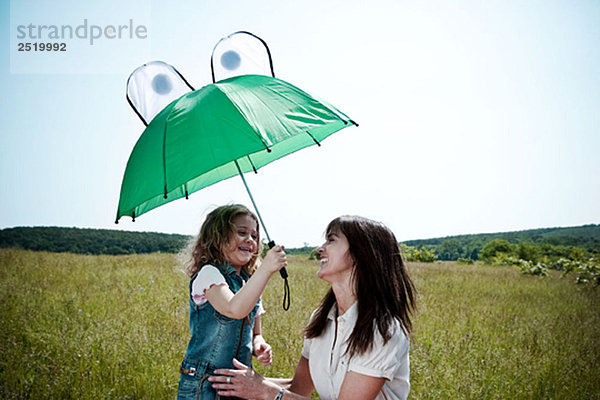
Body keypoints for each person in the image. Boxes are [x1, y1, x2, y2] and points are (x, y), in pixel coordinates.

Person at [209, 215, 417, 400]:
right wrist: (237, 382)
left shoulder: (383, 331)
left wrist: (264, 390)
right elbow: (298, 388)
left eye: (331, 240)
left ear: (361, 254)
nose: (320, 248)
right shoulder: (321, 318)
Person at [177, 204, 288, 400]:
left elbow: (256, 332)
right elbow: (233, 308)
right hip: (205, 383)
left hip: (239, 382)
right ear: (217, 237)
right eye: (242, 232)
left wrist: (259, 345)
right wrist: (266, 269)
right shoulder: (209, 274)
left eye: (254, 235)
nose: (250, 240)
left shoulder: (249, 283)